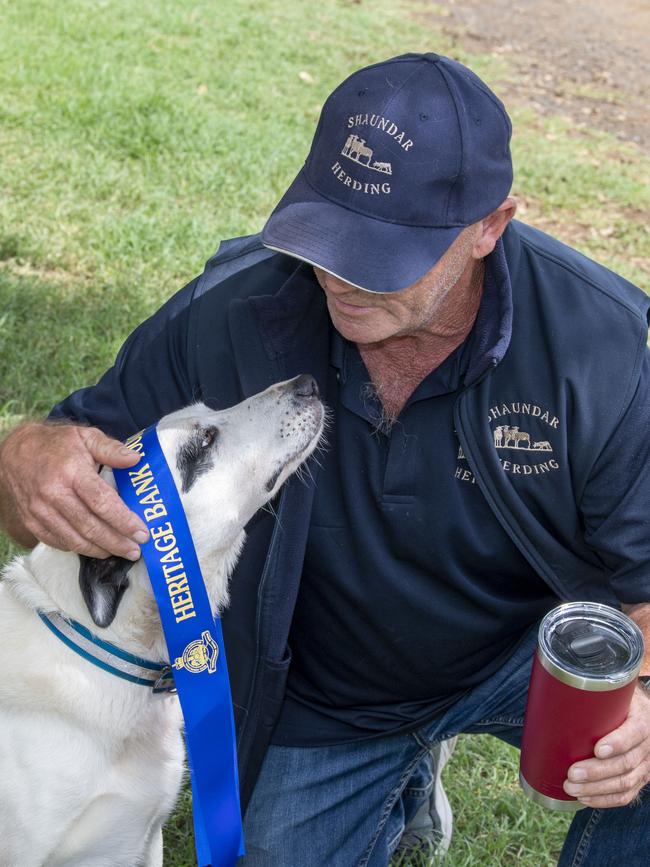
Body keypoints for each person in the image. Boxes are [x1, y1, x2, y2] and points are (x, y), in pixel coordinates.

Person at [1, 52, 650, 866]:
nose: (341, 276)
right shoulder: (235, 307)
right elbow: (64, 463)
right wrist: (22, 454)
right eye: (329, 232)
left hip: (523, 650)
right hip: (328, 695)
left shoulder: (601, 345)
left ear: (490, 226)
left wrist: (642, 703)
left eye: (385, 253)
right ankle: (396, 775)